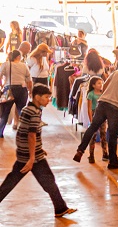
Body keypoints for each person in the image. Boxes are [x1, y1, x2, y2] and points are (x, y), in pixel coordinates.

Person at [0, 84, 76, 218]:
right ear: (37, 97)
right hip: (31, 157)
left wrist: (38, 149)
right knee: (46, 181)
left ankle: (60, 208)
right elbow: (31, 135)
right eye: (46, 97)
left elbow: (23, 133)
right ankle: (60, 208)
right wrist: (31, 157)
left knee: (13, 181)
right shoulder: (34, 112)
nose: (48, 100)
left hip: (27, 153)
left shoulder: (27, 109)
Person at [73, 60, 118, 169]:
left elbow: (105, 84)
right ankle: (113, 161)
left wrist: (105, 97)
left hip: (102, 103)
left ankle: (80, 150)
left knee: (92, 128)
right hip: (116, 108)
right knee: (113, 135)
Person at [0, 49, 31, 137]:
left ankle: (0, 132)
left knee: (5, 112)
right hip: (22, 89)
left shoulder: (6, 65)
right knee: (21, 111)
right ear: (18, 57)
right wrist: (30, 90)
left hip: (9, 90)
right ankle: (25, 132)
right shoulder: (24, 66)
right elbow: (29, 79)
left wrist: (2, 85)